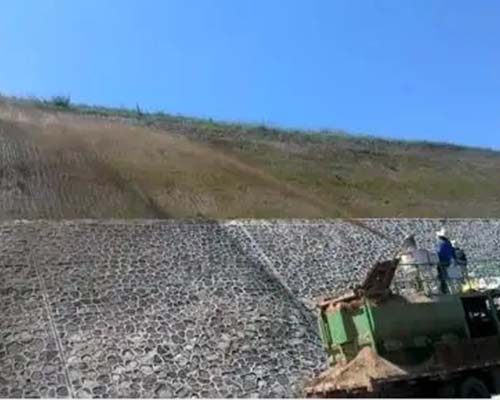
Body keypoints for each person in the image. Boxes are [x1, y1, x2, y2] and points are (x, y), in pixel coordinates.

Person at [436, 228, 456, 294]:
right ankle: (450, 290)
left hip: (442, 261)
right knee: (447, 277)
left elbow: (439, 252)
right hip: (448, 261)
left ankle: (444, 290)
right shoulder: (448, 243)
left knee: (442, 277)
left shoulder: (440, 243)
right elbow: (453, 251)